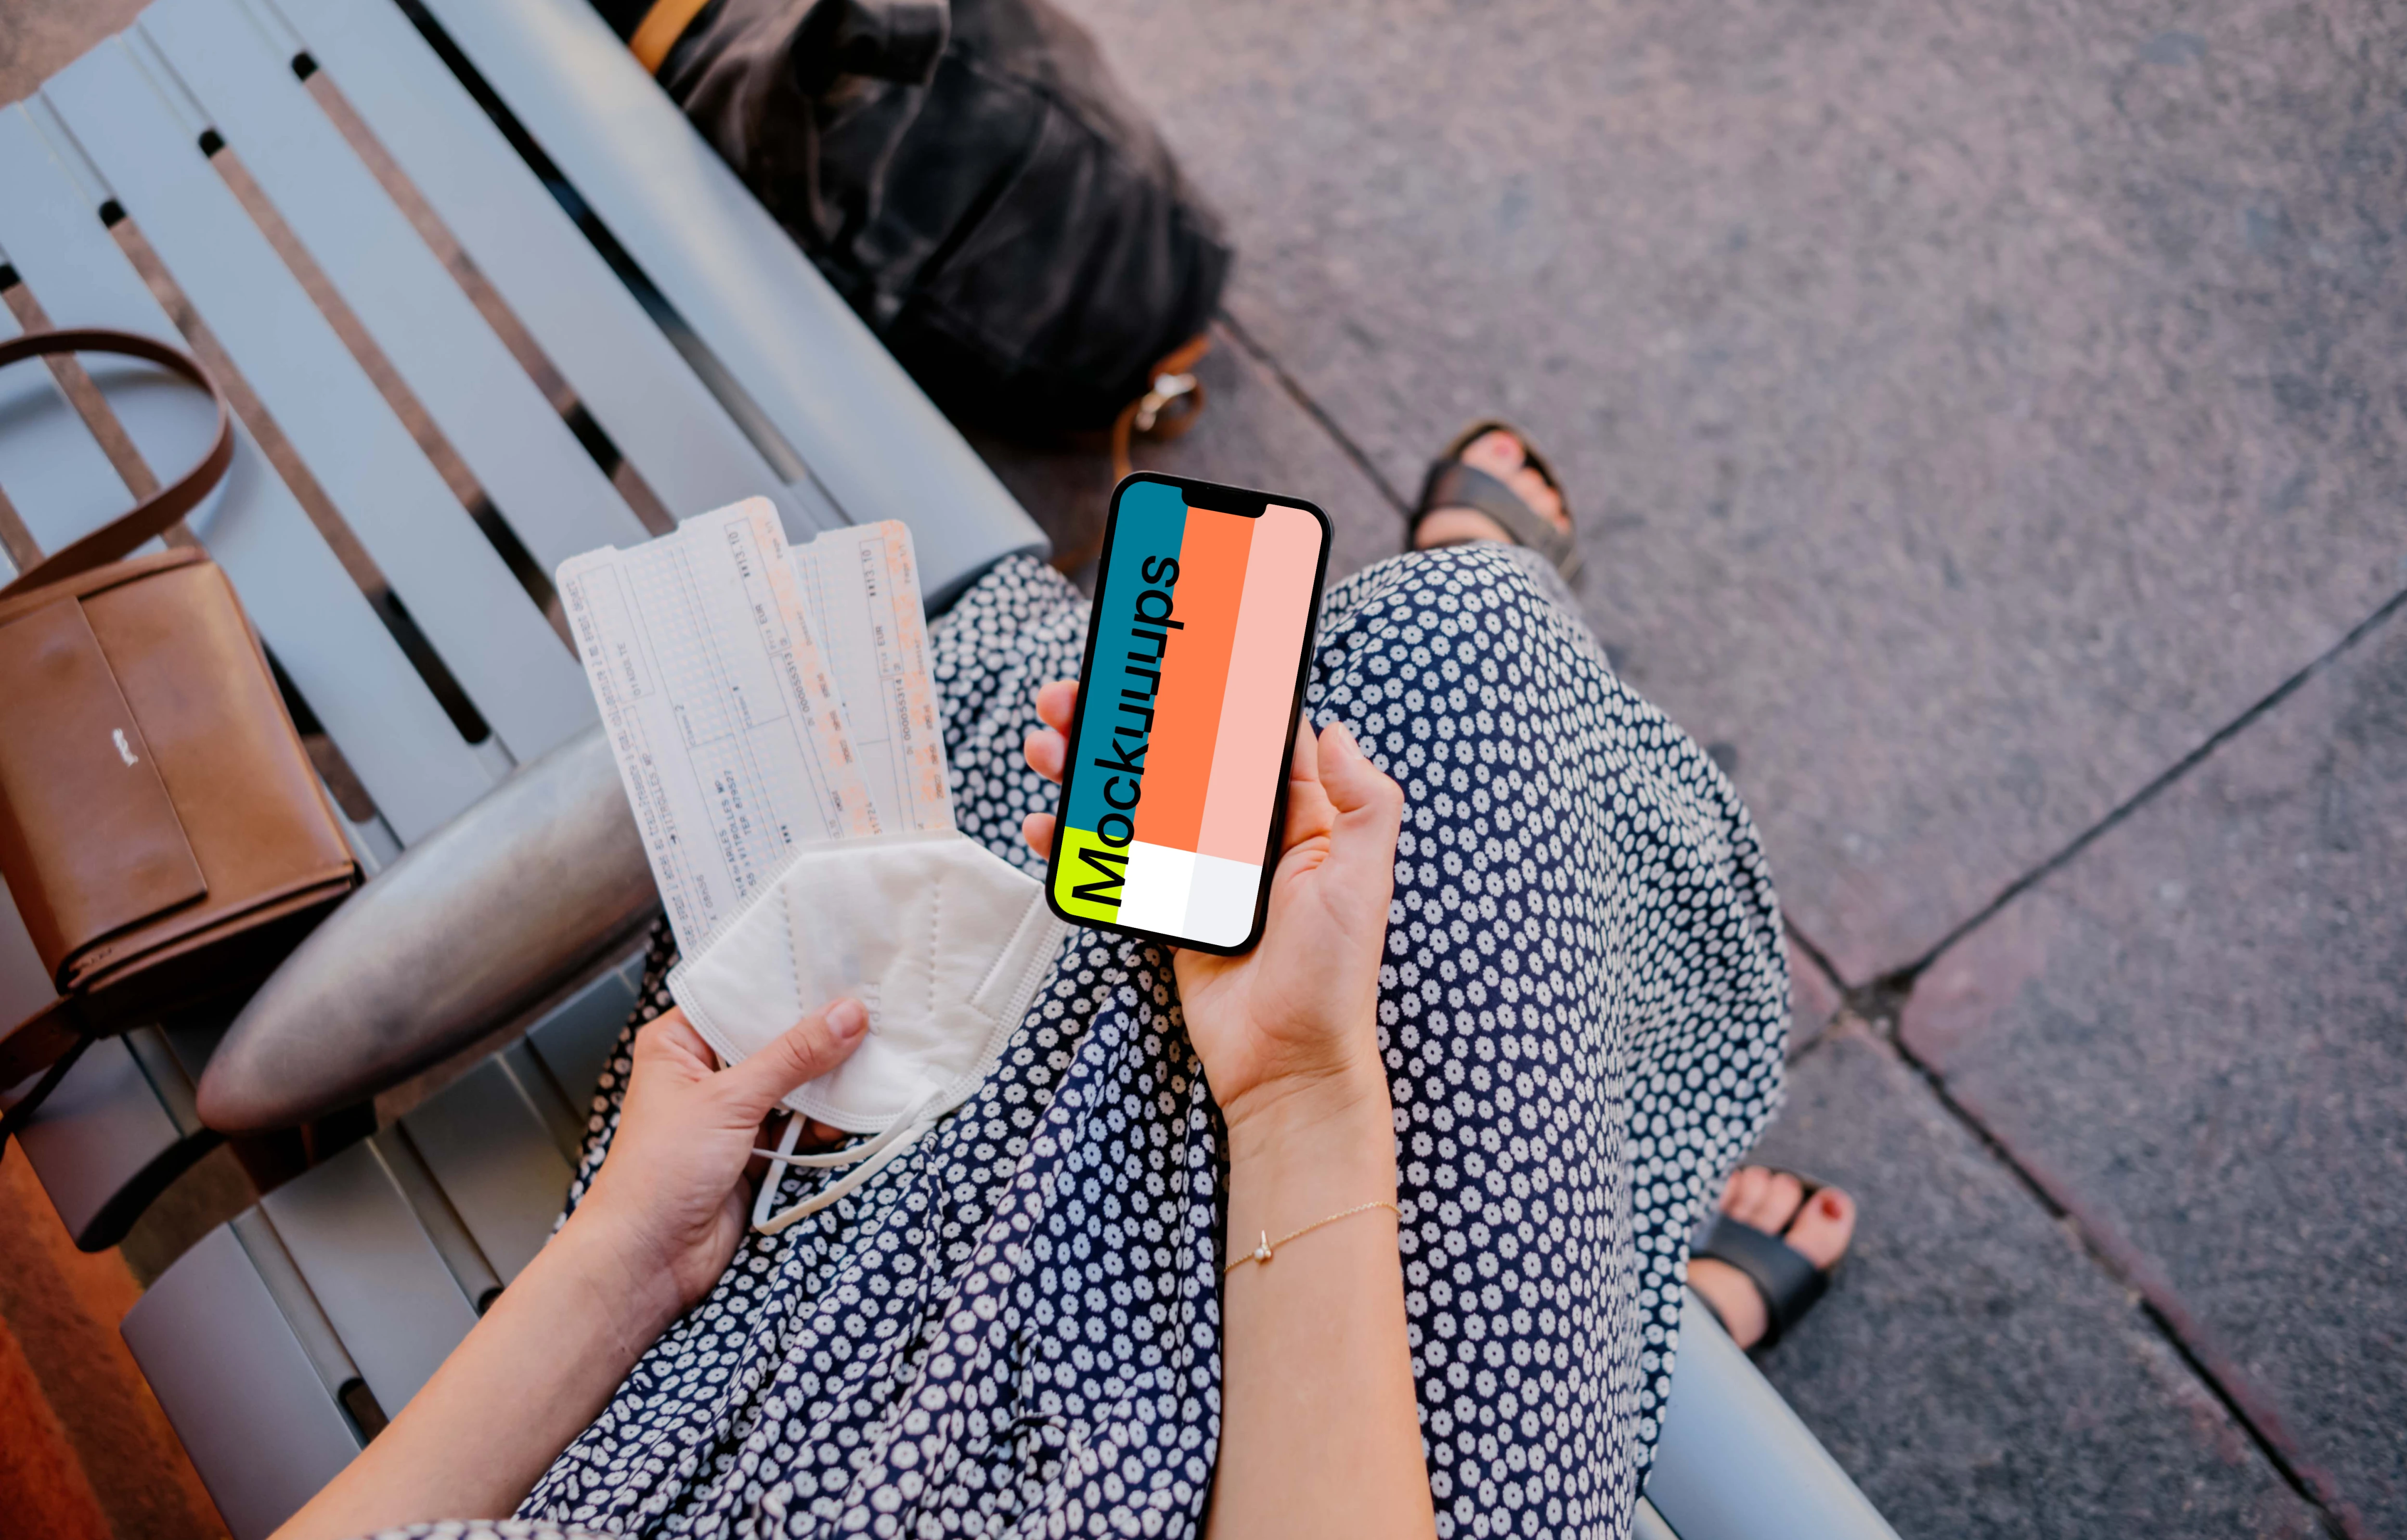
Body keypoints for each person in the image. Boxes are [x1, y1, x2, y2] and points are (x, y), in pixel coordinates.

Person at [270, 424, 1852, 1540]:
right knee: (1457, 672)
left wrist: (631, 1246)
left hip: (731, 1416)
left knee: (1098, 820)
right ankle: (1660, 1297)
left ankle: (1651, 1295)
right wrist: (1300, 1089)